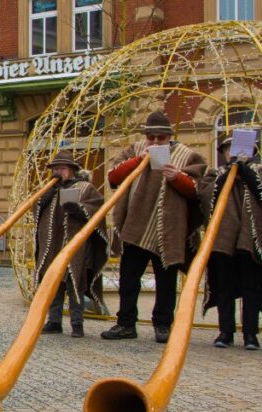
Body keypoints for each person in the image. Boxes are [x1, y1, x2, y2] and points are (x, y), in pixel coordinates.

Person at [101, 110, 206, 343]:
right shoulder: (135, 150)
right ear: (146, 136)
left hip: (168, 229)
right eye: (152, 137)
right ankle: (126, 324)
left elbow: (198, 191)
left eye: (161, 138)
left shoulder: (187, 155)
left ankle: (163, 325)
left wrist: (176, 178)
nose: (156, 142)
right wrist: (140, 160)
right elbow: (113, 178)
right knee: (128, 279)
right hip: (135, 227)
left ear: (170, 136)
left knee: (166, 282)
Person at [34, 150, 107, 338]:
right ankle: (54, 321)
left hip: (75, 246)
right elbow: (35, 210)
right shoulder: (49, 188)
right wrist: (45, 198)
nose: (58, 172)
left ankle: (77, 324)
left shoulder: (84, 187)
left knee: (75, 283)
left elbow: (97, 210)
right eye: (55, 169)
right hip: (52, 245)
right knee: (54, 284)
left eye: (62, 168)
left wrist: (78, 210)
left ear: (72, 169)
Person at [199, 135, 262, 350]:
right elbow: (206, 198)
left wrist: (245, 172)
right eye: (229, 149)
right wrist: (229, 175)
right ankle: (225, 332)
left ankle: (251, 334)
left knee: (251, 287)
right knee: (224, 287)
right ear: (223, 153)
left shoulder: (258, 173)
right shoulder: (214, 174)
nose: (233, 153)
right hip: (222, 240)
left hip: (249, 241)